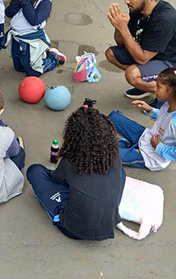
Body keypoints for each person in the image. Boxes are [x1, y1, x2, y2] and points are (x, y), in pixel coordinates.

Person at [27, 102, 125, 240]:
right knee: (121, 173)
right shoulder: (114, 156)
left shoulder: (70, 160)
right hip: (109, 223)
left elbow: (55, 179)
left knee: (35, 170)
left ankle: (60, 214)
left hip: (73, 229)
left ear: (73, 136)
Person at [109, 65, 176, 171]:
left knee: (105, 155)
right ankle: (126, 144)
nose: (154, 88)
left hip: (150, 157)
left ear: (171, 91)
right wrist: (150, 110)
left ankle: (125, 145)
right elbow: (165, 117)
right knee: (113, 117)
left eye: (158, 86)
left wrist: (159, 147)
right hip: (147, 137)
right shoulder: (171, 104)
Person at [4, 0, 66, 76]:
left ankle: (53, 56)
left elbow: (34, 20)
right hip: (16, 39)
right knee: (19, 69)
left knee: (33, 73)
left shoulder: (45, 1)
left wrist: (26, 2)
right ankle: (43, 54)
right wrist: (19, 1)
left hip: (31, 41)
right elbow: (8, 13)